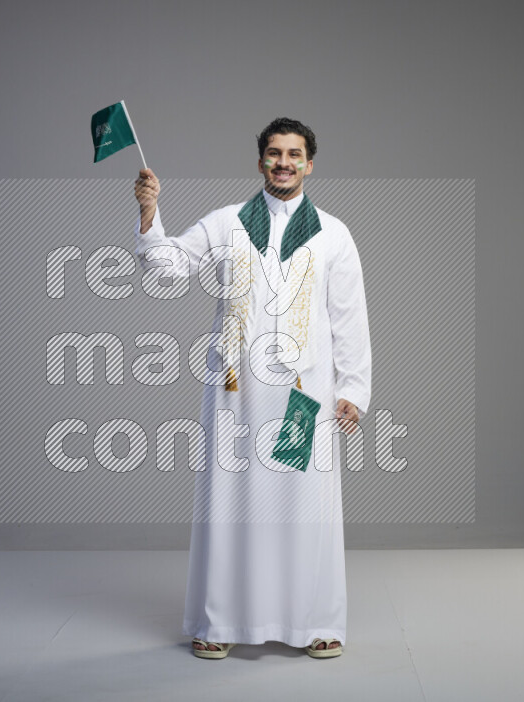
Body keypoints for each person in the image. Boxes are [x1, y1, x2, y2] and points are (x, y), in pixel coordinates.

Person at [132, 117, 371, 659]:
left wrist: (354, 389)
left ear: (309, 164)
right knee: (231, 504)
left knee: (303, 506)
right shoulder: (227, 224)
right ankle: (220, 622)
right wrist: (149, 213)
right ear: (260, 161)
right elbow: (166, 271)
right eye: (273, 153)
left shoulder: (333, 233)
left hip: (303, 395)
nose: (283, 162)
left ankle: (315, 622)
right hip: (236, 395)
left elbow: (349, 317)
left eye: (294, 154)